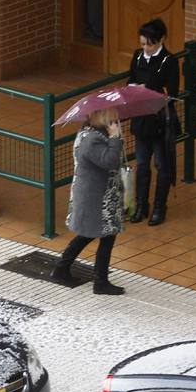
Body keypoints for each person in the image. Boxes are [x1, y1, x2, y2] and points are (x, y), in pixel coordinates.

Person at [51, 108, 127, 295]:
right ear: (104, 120)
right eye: (113, 120)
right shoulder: (92, 140)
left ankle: (62, 269)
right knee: (105, 235)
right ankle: (100, 282)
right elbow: (109, 161)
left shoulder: (91, 135)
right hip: (97, 198)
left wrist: (114, 139)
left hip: (100, 195)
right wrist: (116, 139)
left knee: (91, 234)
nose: (117, 122)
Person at [126, 18, 179, 226]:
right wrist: (133, 88)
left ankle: (159, 207)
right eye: (143, 44)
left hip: (159, 120)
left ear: (161, 40)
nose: (146, 48)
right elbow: (130, 80)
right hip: (141, 118)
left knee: (162, 165)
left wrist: (152, 92)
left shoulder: (169, 61)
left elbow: (172, 92)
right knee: (141, 164)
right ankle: (141, 205)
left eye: (150, 44)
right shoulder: (138, 56)